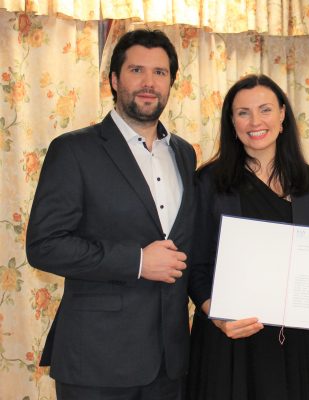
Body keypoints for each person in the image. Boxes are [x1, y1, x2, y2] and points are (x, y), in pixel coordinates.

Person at [26, 29, 196, 400]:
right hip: (96, 361)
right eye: (137, 70)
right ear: (115, 80)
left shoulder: (184, 154)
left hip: (169, 364)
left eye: (160, 72)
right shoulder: (74, 150)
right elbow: (44, 245)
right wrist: (137, 261)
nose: (149, 82)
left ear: (171, 83)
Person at [186, 74, 309, 400]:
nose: (255, 122)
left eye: (265, 110)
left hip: (297, 345)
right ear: (231, 122)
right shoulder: (209, 181)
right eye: (243, 112)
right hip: (231, 341)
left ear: (282, 116)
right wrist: (216, 315)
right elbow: (195, 265)